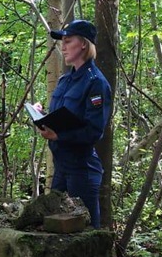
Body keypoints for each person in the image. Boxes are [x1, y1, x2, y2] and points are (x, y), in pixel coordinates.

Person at [35, 19, 112, 227]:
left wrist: (59, 135)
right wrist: (43, 115)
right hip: (61, 167)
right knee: (54, 228)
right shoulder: (65, 80)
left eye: (68, 41)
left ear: (84, 44)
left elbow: (94, 131)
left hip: (82, 170)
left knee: (87, 233)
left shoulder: (95, 83)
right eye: (63, 41)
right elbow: (64, 117)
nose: (63, 46)